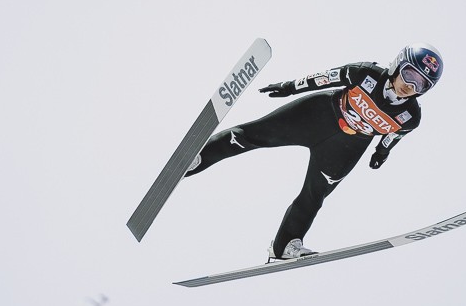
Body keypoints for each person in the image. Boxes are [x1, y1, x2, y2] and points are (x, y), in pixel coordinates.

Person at [185, 43, 444, 259]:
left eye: (421, 84)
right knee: (252, 135)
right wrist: (289, 87)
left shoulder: (410, 117)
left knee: (314, 195)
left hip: (346, 147)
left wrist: (381, 153)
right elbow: (325, 78)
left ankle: (285, 246)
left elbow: (394, 136)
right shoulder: (366, 74)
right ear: (398, 65)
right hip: (317, 116)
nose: (410, 86)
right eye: (410, 75)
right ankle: (197, 159)